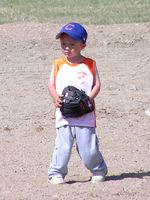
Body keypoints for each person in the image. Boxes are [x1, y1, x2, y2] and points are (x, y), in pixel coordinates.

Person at [48, 22, 108, 184]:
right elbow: (51, 84)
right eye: (63, 44)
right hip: (64, 115)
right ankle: (56, 173)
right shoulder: (58, 64)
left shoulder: (90, 64)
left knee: (88, 149)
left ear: (83, 45)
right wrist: (55, 97)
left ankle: (98, 169)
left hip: (85, 115)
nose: (67, 47)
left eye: (72, 44)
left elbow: (97, 84)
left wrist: (90, 98)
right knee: (63, 147)